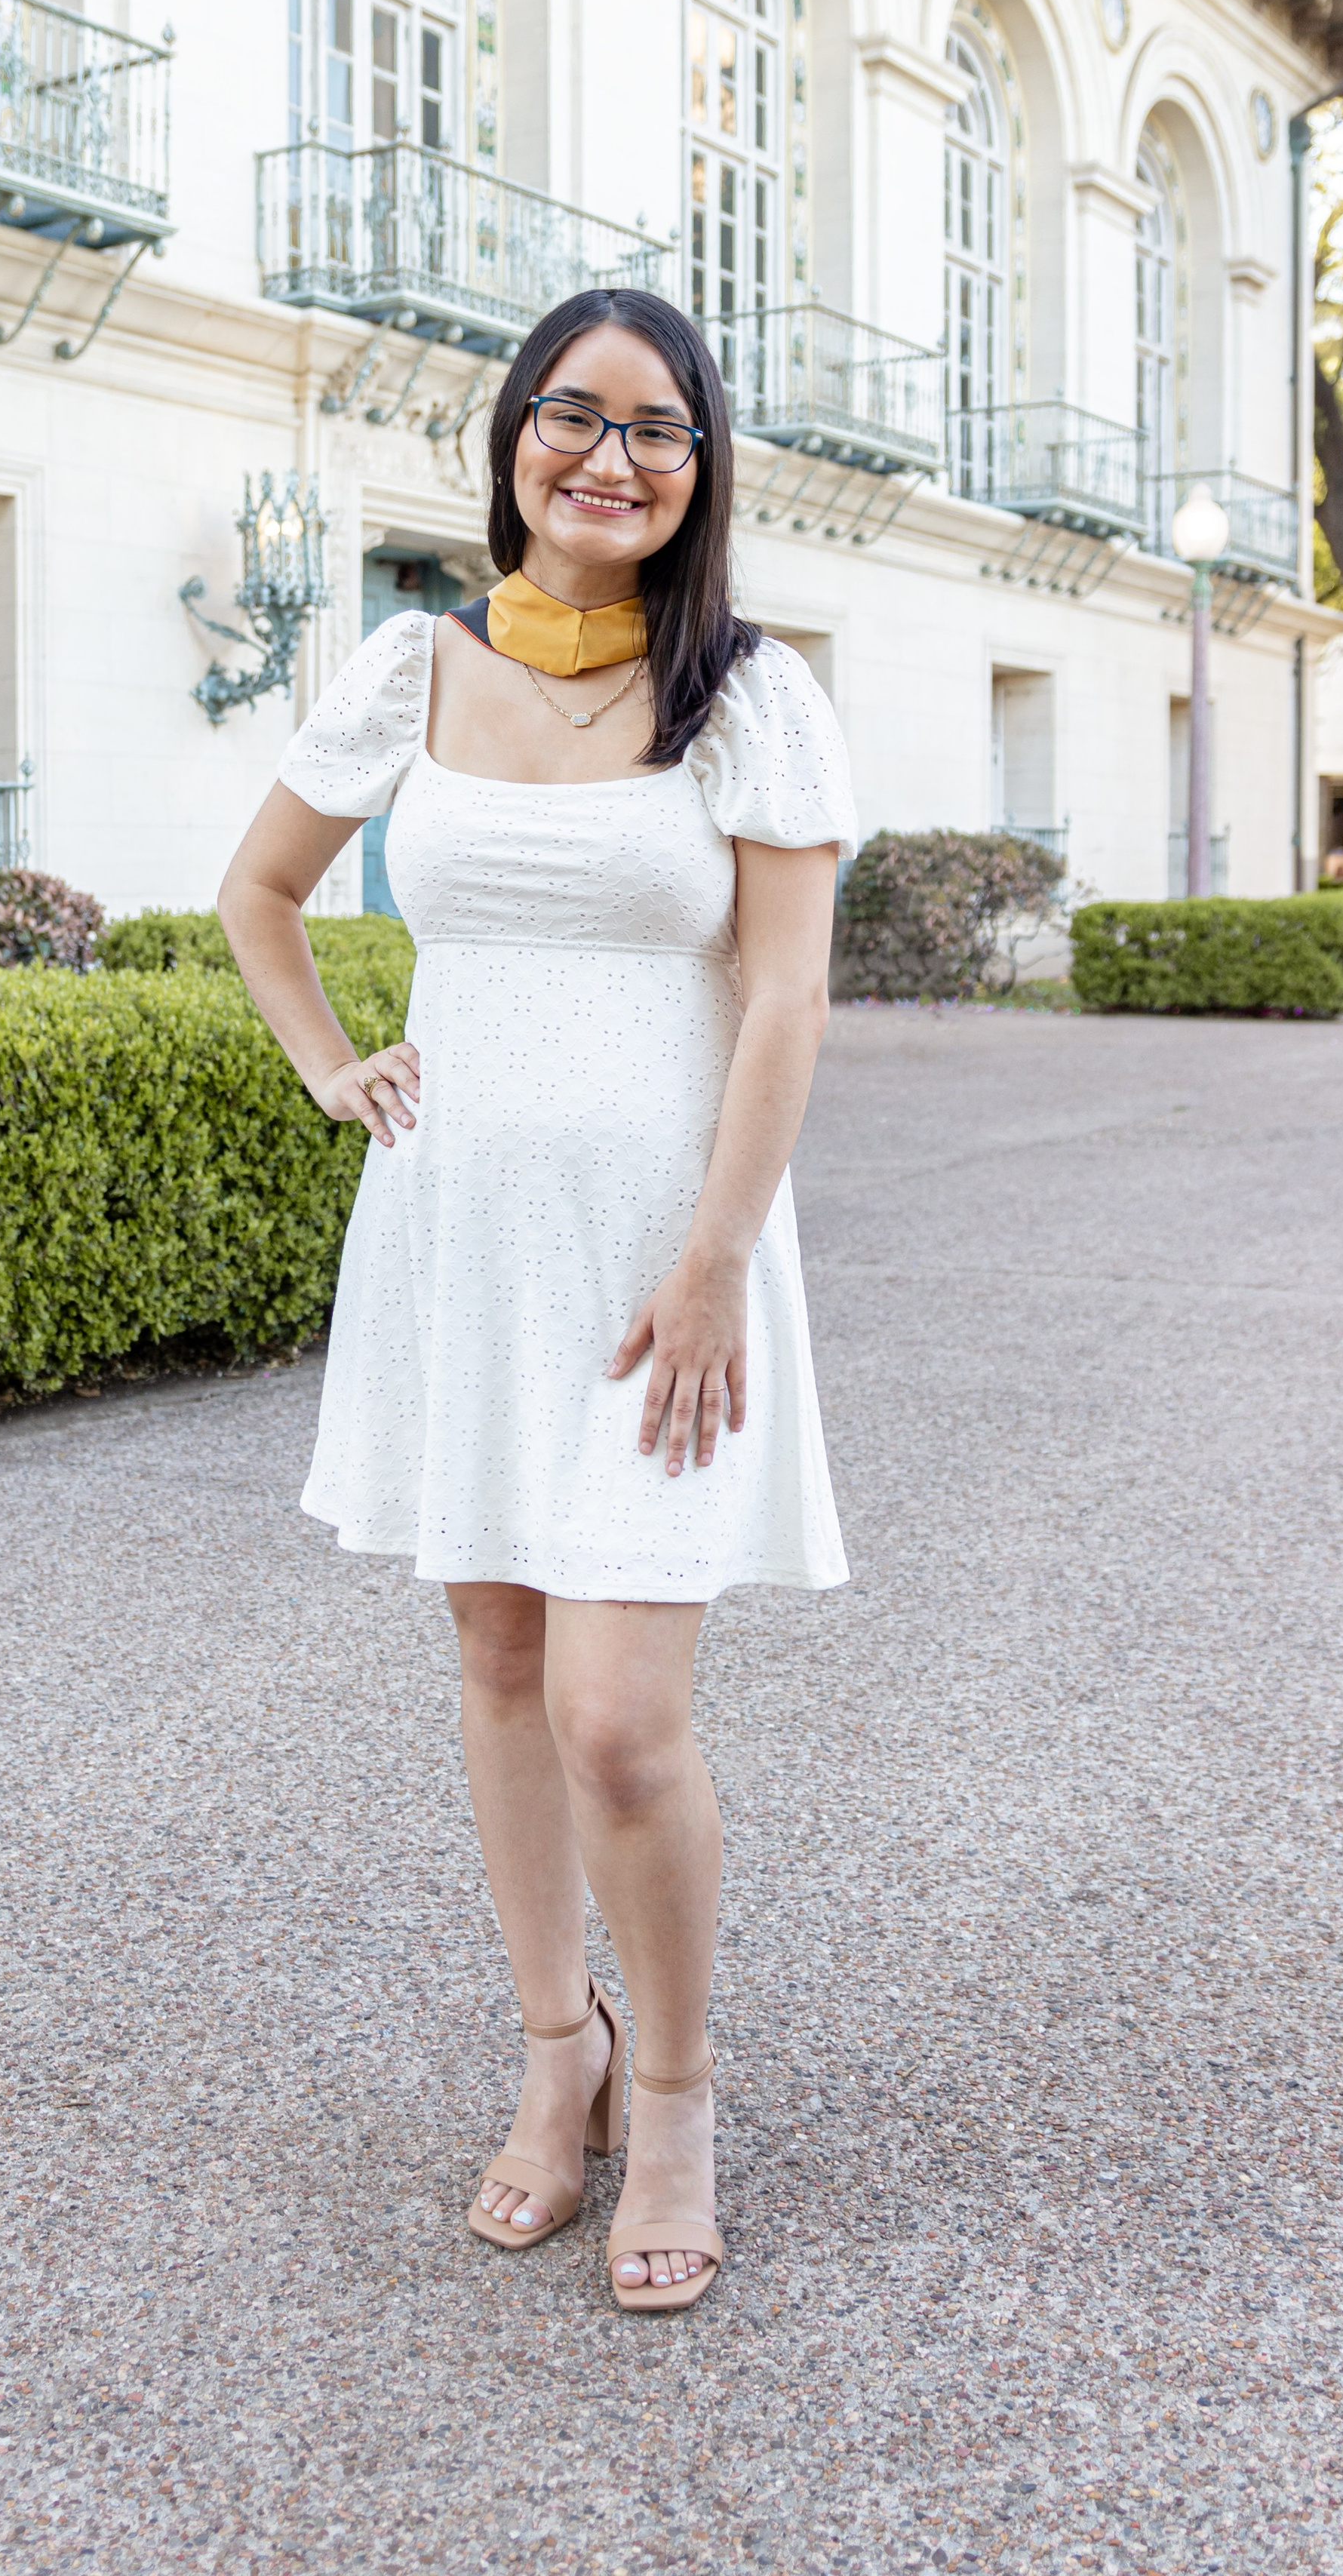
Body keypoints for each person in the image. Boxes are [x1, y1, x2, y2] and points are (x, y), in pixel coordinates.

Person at [217, 287, 854, 2313]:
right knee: (500, 1658)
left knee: (622, 1720)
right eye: (574, 418)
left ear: (701, 469)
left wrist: (715, 1262)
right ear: (511, 443)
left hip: (670, 1270)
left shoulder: (749, 695)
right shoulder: (410, 670)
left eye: (659, 428)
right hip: (459, 1244)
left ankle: (671, 2086)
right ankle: (549, 2049)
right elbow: (262, 888)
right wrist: (335, 1061)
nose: (612, 457)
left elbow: (784, 998)